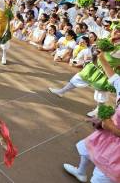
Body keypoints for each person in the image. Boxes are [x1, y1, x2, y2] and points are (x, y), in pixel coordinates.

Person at [63, 52, 120, 183]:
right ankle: (81, 172)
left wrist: (113, 128)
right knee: (86, 149)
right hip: (107, 135)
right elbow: (113, 77)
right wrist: (101, 57)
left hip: (116, 153)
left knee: (101, 178)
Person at [49, 25, 120, 117]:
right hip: (94, 65)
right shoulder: (109, 38)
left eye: (119, 31)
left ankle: (98, 109)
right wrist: (111, 38)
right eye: (116, 30)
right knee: (78, 77)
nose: (117, 32)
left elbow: (109, 52)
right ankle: (62, 91)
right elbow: (100, 46)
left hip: (106, 71)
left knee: (100, 90)